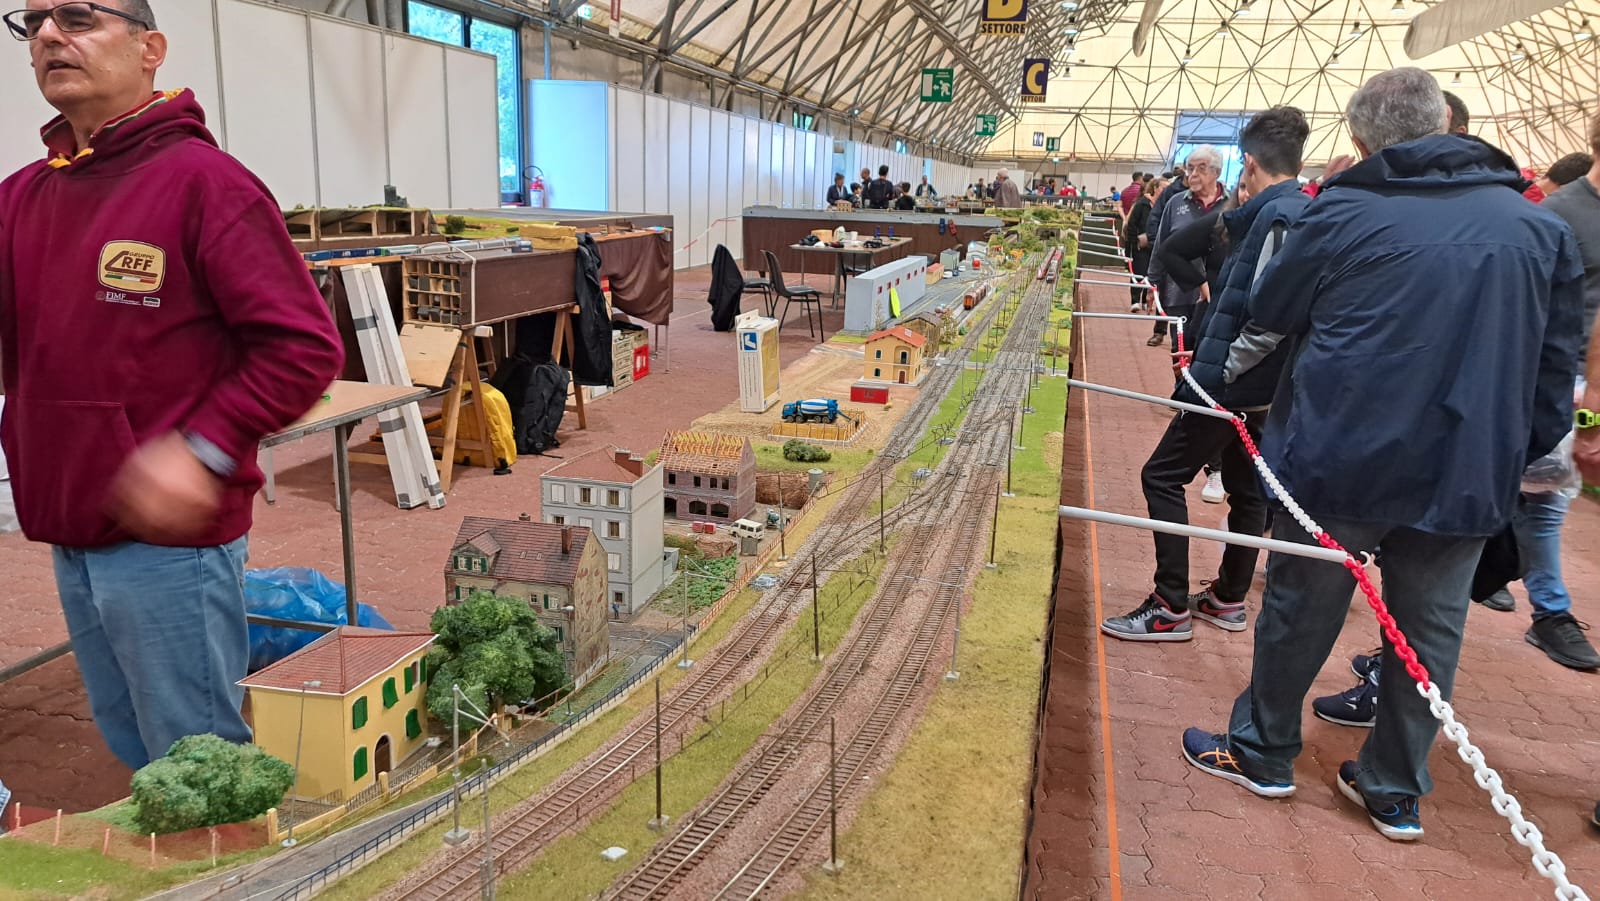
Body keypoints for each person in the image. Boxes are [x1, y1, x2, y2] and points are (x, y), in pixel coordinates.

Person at [1181, 68, 1582, 843]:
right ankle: (1393, 784)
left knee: (1301, 606)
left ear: (1362, 140)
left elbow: (1273, 305)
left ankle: (1264, 748)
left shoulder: (1343, 210)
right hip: (1466, 465)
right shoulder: (1537, 226)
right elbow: (1554, 364)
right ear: (1446, 124)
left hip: (1340, 455)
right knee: (1430, 632)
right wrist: (1512, 451)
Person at [0, 0, 344, 770]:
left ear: (149, 48)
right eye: (34, 21)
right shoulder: (21, 198)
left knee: (198, 759)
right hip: (69, 523)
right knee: (134, 742)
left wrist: (202, 450)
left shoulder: (205, 185)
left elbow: (303, 347)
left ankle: (234, 854)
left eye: (77, 16)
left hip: (167, 541)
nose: (49, 34)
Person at [1101, 106, 1311, 643]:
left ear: (1250, 163)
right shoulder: (1293, 210)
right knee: (1246, 489)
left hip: (1232, 385)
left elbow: (1269, 312)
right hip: (1263, 388)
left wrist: (1224, 370)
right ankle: (1228, 598)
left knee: (1161, 476)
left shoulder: (1277, 217)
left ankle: (1169, 604)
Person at [1147, 148, 1225, 351]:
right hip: (1179, 292)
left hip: (1217, 294)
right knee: (1180, 350)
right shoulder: (1175, 203)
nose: (1193, 174)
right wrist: (1152, 282)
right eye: (1190, 169)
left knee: (1208, 351)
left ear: (1217, 172)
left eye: (1201, 168)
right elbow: (1161, 245)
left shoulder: (1231, 204)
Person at [1124, 177, 1163, 313]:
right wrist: (1134, 242)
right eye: (1163, 188)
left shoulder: (1164, 206)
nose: (1165, 191)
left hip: (1156, 245)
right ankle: (1135, 300)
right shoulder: (1142, 204)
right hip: (1140, 245)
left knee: (1151, 273)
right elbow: (1132, 224)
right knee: (1138, 271)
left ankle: (1146, 300)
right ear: (1155, 188)